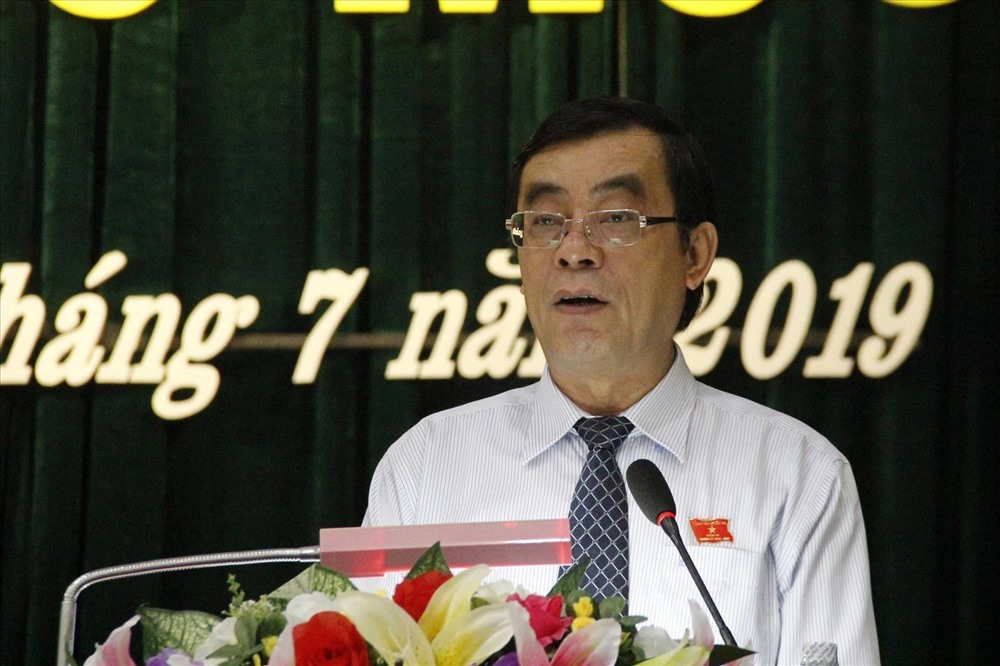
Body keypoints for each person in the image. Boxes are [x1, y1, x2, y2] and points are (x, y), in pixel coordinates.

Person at [363, 97, 880, 665]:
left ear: (695, 254)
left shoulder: (800, 475)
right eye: (545, 222)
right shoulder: (421, 467)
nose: (574, 252)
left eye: (615, 219)